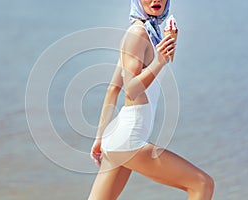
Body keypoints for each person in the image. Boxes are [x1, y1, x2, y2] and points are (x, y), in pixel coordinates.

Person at [88, 0, 214, 199]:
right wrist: (159, 61)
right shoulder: (138, 34)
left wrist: (99, 138)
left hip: (117, 138)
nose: (156, 0)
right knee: (202, 184)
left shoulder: (146, 33)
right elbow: (130, 90)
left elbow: (113, 89)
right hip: (129, 139)